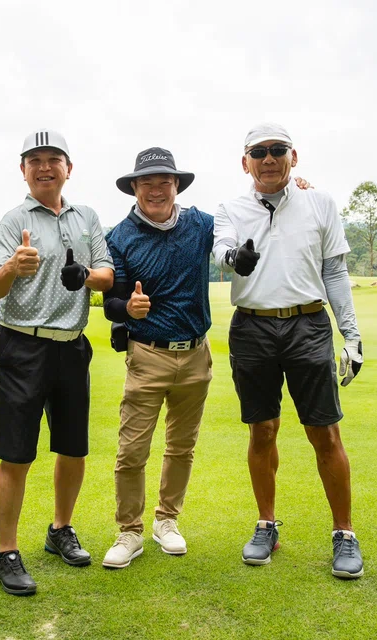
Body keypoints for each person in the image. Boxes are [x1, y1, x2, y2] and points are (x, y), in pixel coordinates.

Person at [212, 122, 365, 579]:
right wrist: (236, 258)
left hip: (308, 324)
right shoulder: (231, 208)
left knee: (325, 433)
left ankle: (344, 533)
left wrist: (351, 336)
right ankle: (266, 524)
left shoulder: (320, 203)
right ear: (245, 163)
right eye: (259, 152)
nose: (269, 158)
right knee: (262, 430)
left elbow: (334, 273)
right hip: (253, 328)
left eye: (278, 150)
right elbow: (219, 251)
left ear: (294, 157)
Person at [0, 129, 114, 595]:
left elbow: (106, 272)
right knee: (16, 452)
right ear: (23, 170)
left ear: (68, 168)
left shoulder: (87, 217)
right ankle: (7, 551)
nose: (44, 167)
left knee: (73, 447)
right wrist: (11, 268)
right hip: (22, 344)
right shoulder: (12, 220)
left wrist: (88, 277)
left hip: (71, 345)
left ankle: (60, 529)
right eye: (34, 160)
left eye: (53, 159)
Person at [100, 148, 213, 568]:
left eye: (165, 181)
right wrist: (127, 310)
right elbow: (110, 299)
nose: (156, 189)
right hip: (148, 355)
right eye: (147, 182)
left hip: (196, 354)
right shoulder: (121, 237)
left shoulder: (201, 225)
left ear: (176, 185)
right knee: (132, 451)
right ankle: (129, 531)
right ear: (134, 187)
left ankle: (167, 521)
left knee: (182, 448)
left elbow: (247, 223)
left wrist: (297, 187)